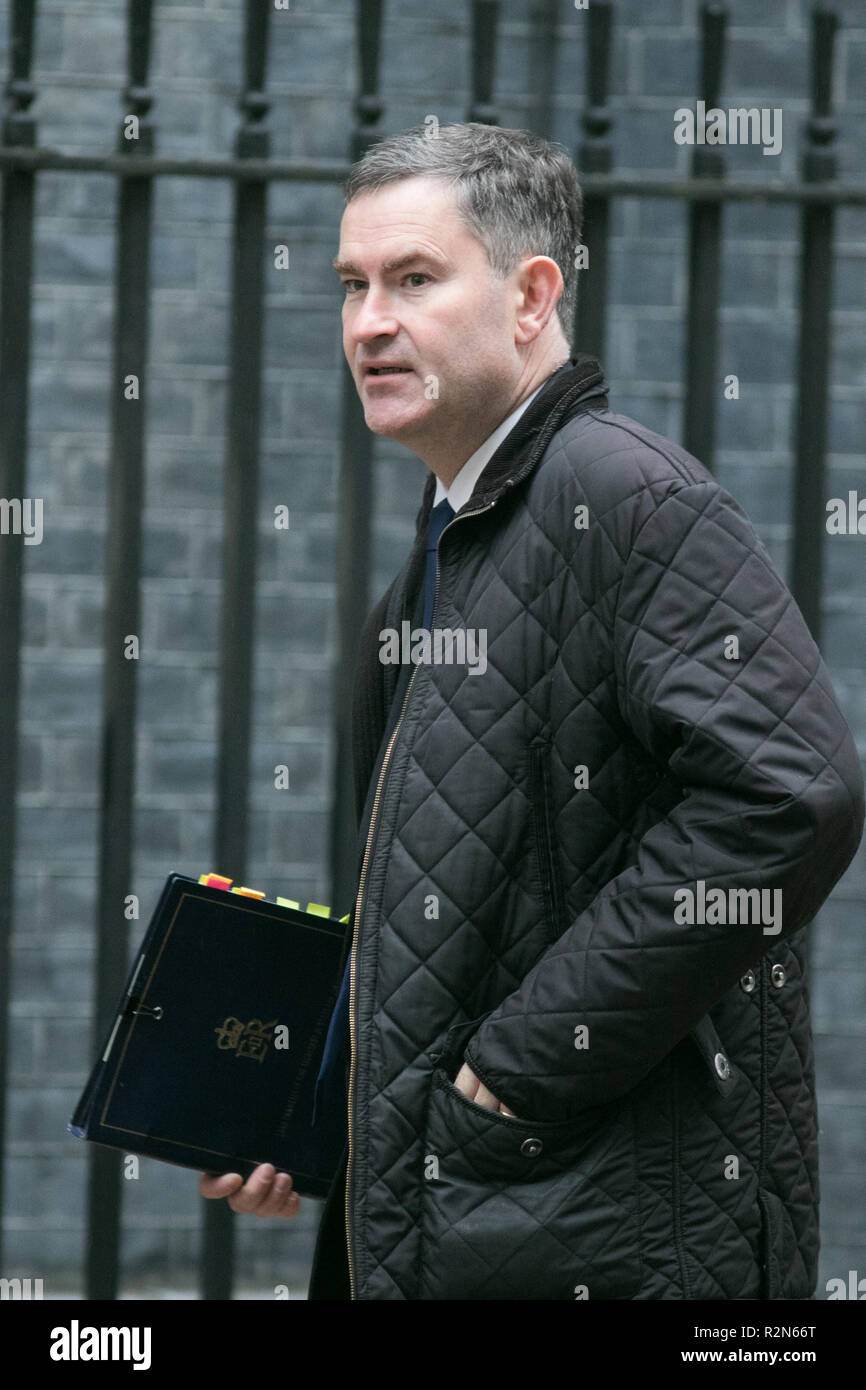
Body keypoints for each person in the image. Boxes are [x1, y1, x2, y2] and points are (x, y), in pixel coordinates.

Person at [201, 122, 864, 1301]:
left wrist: (515, 1073)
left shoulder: (622, 495)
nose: (365, 323)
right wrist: (311, 1107)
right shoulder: (441, 560)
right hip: (465, 1228)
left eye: (412, 279)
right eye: (350, 286)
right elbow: (452, 911)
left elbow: (786, 795)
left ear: (530, 296)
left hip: (600, 1236)